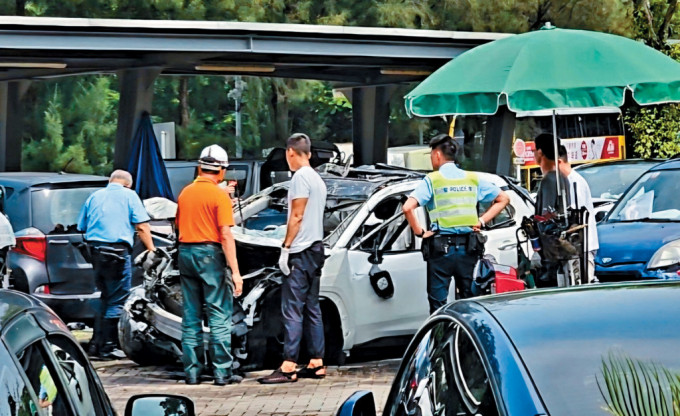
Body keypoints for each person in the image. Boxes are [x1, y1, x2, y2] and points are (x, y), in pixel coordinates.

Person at [402, 134, 510, 313]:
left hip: (441, 250)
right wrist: (481, 221)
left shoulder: (432, 180)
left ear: (437, 155)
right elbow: (503, 198)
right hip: (468, 248)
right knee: (470, 302)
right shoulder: (471, 178)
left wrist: (420, 232)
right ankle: (468, 338)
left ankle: (443, 337)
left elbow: (407, 208)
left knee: (438, 304)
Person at [258, 133, 328, 384]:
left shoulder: (299, 178)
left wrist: (285, 248)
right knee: (312, 308)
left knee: (292, 309)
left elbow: (296, 217)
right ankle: (317, 362)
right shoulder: (318, 179)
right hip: (316, 248)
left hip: (300, 251)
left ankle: (288, 365)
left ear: (290, 152)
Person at [175, 144, 244, 386]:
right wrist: (236, 273)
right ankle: (222, 373)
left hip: (185, 253)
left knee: (191, 315)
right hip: (209, 255)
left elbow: (178, 226)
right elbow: (225, 235)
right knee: (218, 313)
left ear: (199, 168)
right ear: (222, 171)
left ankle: (192, 373)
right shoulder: (219, 196)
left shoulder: (185, 193)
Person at [77, 170, 156, 360]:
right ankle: (109, 347)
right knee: (117, 299)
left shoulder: (95, 196)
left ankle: (96, 344)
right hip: (117, 254)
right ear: (128, 184)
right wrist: (152, 250)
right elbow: (142, 226)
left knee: (105, 296)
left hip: (95, 252)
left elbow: (82, 226)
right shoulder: (129, 195)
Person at [558, 145, 599, 283]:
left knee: (583, 285)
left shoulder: (575, 183)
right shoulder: (566, 181)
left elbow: (577, 220)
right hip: (574, 248)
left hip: (583, 247)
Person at [533, 133, 571, 216]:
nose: (533, 153)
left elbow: (546, 215)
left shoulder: (548, 180)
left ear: (540, 152)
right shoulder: (563, 177)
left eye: (534, 150)